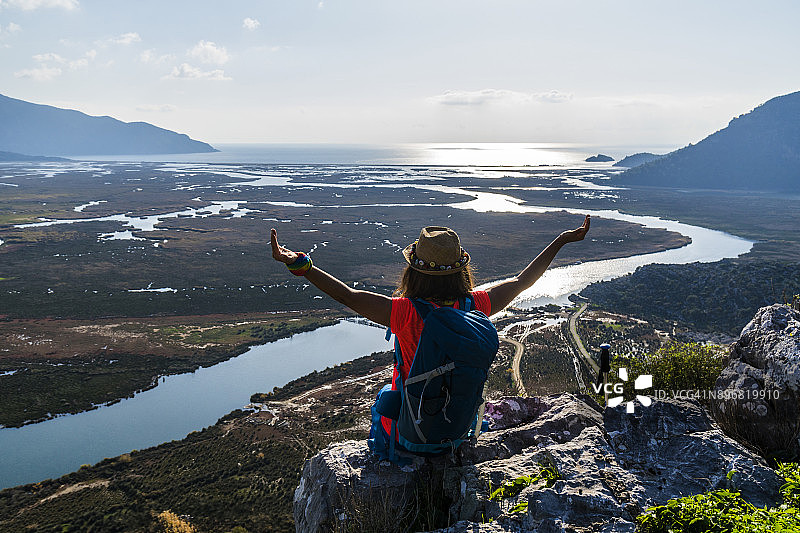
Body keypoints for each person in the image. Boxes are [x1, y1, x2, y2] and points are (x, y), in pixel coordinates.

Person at [270, 215, 590, 452]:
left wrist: (302, 265)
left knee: (383, 402)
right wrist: (562, 240)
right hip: (460, 429)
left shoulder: (403, 312)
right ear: (461, 271)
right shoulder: (474, 304)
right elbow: (523, 281)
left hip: (411, 434)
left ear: (413, 271)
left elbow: (347, 296)